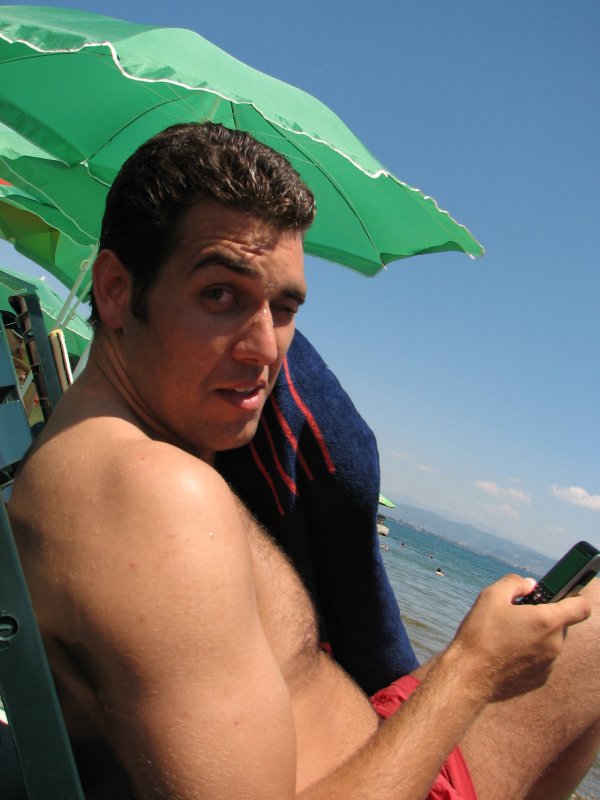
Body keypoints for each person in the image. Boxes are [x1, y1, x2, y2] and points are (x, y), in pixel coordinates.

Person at [9, 122, 598, 800]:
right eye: (221, 294)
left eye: (284, 308)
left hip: (378, 746)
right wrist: (472, 669)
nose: (266, 348)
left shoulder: (106, 449)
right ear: (115, 288)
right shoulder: (152, 493)